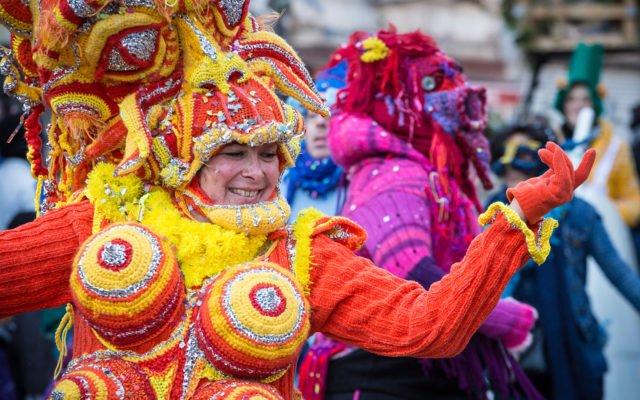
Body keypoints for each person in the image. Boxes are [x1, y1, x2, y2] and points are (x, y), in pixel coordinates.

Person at [0, 1, 593, 398]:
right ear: (184, 159)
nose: (255, 173)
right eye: (232, 153)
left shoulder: (304, 256)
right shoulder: (99, 224)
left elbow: (427, 326)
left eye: (269, 155)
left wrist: (518, 219)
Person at [300, 29, 541, 400]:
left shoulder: (420, 170)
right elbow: (410, 271)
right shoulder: (394, 173)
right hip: (386, 373)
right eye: (434, 83)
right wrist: (501, 318)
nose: (459, 94)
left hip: (414, 367)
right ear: (403, 103)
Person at [489, 122, 640, 400]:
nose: (509, 166)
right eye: (501, 155)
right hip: (511, 348)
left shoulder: (580, 215)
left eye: (520, 154)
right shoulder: (492, 213)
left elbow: (619, 274)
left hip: (573, 348)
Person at [555, 43, 640, 227]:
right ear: (563, 105)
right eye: (572, 99)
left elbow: (634, 201)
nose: (578, 105)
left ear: (594, 105)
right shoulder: (550, 143)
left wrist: (604, 213)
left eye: (585, 99)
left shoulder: (616, 147)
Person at [283, 62, 347, 218]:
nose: (320, 123)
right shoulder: (281, 177)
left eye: (332, 115)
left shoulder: (356, 182)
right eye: (312, 115)